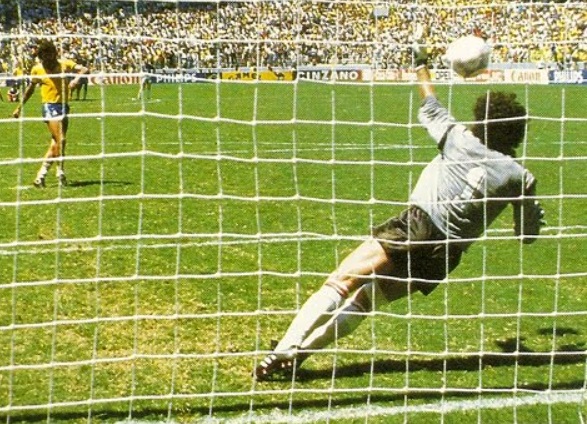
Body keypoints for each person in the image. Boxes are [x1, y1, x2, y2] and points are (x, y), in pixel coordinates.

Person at [253, 40, 545, 381]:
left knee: (342, 282)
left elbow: (430, 102)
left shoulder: (459, 139)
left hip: (416, 226)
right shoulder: (520, 177)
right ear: (518, 132)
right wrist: (533, 217)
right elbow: (526, 237)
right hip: (444, 255)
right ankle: (301, 354)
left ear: (482, 120)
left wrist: (421, 63)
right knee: (366, 302)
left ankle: (283, 349)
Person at [12, 40, 88, 188]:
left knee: (55, 142)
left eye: (50, 55)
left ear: (54, 54)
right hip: (49, 107)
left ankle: (41, 176)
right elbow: (30, 89)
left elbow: (84, 69)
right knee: (61, 139)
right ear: (41, 57)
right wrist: (19, 107)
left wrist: (76, 79)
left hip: (64, 106)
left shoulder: (64, 64)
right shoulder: (37, 70)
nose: (47, 59)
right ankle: (60, 172)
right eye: (44, 56)